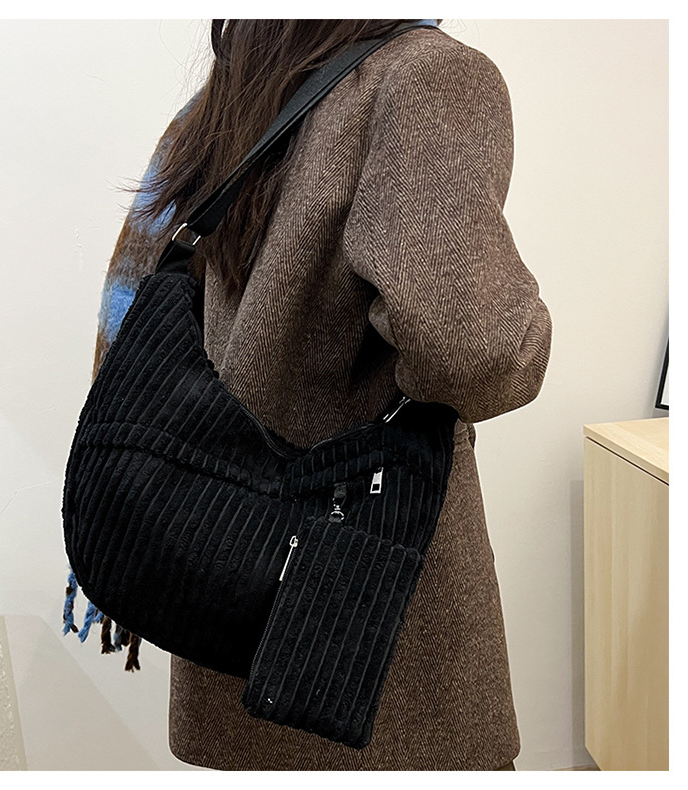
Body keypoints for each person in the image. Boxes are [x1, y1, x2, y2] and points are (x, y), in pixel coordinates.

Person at [84, 19, 552, 771]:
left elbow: (139, 311)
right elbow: (476, 351)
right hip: (371, 625)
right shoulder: (424, 76)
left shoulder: (233, 95)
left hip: (229, 588)